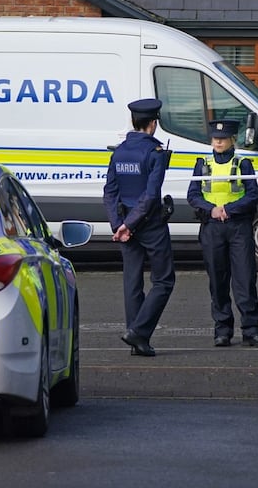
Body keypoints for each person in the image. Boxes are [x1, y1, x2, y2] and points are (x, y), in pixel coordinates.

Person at [187, 119, 258, 348]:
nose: (218, 142)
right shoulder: (202, 163)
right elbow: (193, 195)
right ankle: (222, 331)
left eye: (222, 139)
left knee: (245, 280)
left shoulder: (243, 163)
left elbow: (253, 195)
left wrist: (228, 210)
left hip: (238, 227)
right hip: (212, 227)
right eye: (215, 138)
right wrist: (212, 210)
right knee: (217, 281)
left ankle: (252, 331)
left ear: (232, 139)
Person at [103, 98, 176, 357]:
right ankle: (139, 333)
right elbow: (151, 195)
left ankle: (137, 341)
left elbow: (110, 192)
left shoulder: (119, 152)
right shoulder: (154, 153)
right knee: (164, 280)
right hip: (150, 225)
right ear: (153, 123)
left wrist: (119, 224)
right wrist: (131, 224)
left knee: (132, 282)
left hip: (125, 224)